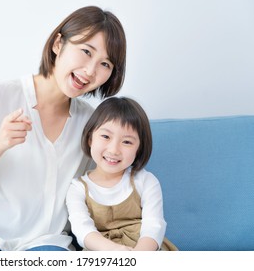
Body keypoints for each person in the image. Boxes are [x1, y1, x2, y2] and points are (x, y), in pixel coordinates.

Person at [0, 6, 127, 251]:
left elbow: (93, 194)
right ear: (58, 44)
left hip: (45, 242)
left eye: (105, 64)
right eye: (86, 51)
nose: (90, 71)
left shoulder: (93, 124)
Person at [66, 97, 178, 251]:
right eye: (105, 137)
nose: (113, 150)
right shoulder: (77, 188)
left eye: (127, 142)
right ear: (90, 138)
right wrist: (116, 252)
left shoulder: (146, 181)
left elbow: (154, 225)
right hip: (102, 251)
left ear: (139, 148)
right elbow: (82, 229)